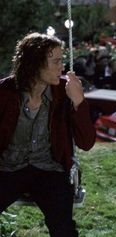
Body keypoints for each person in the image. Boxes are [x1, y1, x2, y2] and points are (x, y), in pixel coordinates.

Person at [0, 32, 96, 237]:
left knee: (63, 228)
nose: (62, 67)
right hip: (6, 169)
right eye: (56, 61)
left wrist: (79, 102)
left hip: (49, 170)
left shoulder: (64, 92)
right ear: (35, 64)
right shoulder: (5, 92)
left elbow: (86, 143)